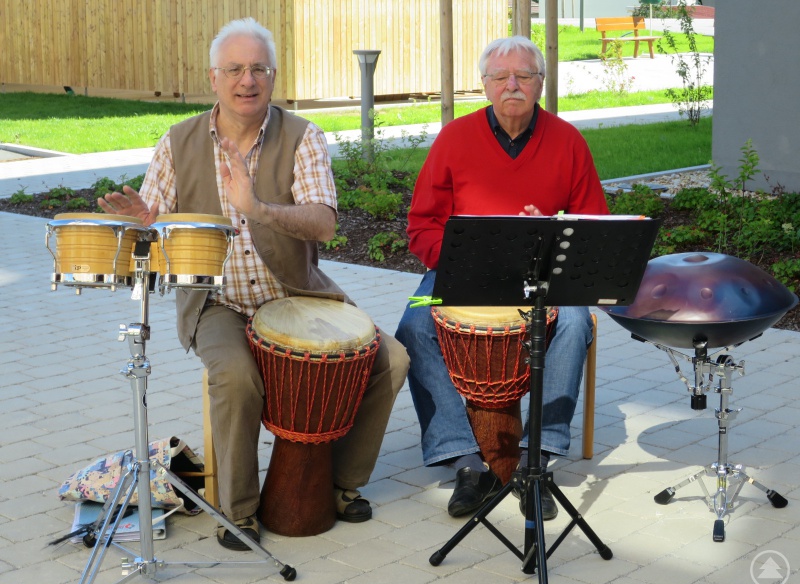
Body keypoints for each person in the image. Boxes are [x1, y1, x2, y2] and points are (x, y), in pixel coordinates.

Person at [99, 17, 409, 551]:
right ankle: (237, 511)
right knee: (238, 377)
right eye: (236, 69)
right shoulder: (178, 142)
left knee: (391, 360)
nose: (248, 80)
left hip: (296, 292)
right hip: (218, 301)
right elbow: (154, 224)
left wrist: (260, 209)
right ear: (214, 79)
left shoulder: (302, 136)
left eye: (259, 68)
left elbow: (325, 223)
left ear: (273, 76)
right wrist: (146, 221)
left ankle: (338, 482)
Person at [395, 36, 609, 520]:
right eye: (501, 77)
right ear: (486, 85)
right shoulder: (454, 138)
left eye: (524, 76)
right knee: (414, 326)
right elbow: (421, 223)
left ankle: (540, 457)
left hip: (545, 275)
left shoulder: (568, 141)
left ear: (540, 83)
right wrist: (453, 262)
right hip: (463, 272)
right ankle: (466, 459)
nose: (513, 85)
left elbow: (593, 225)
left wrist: (549, 236)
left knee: (575, 326)